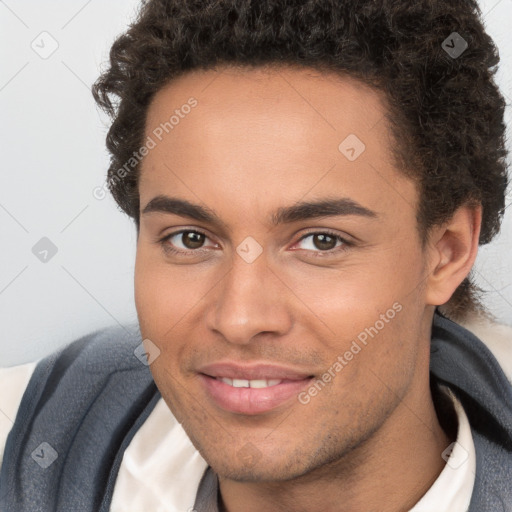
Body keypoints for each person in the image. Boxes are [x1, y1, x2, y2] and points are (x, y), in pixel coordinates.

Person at [1, 0, 511, 510]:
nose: (239, 319)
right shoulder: (31, 432)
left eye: (321, 241)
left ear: (447, 251)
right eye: (191, 239)